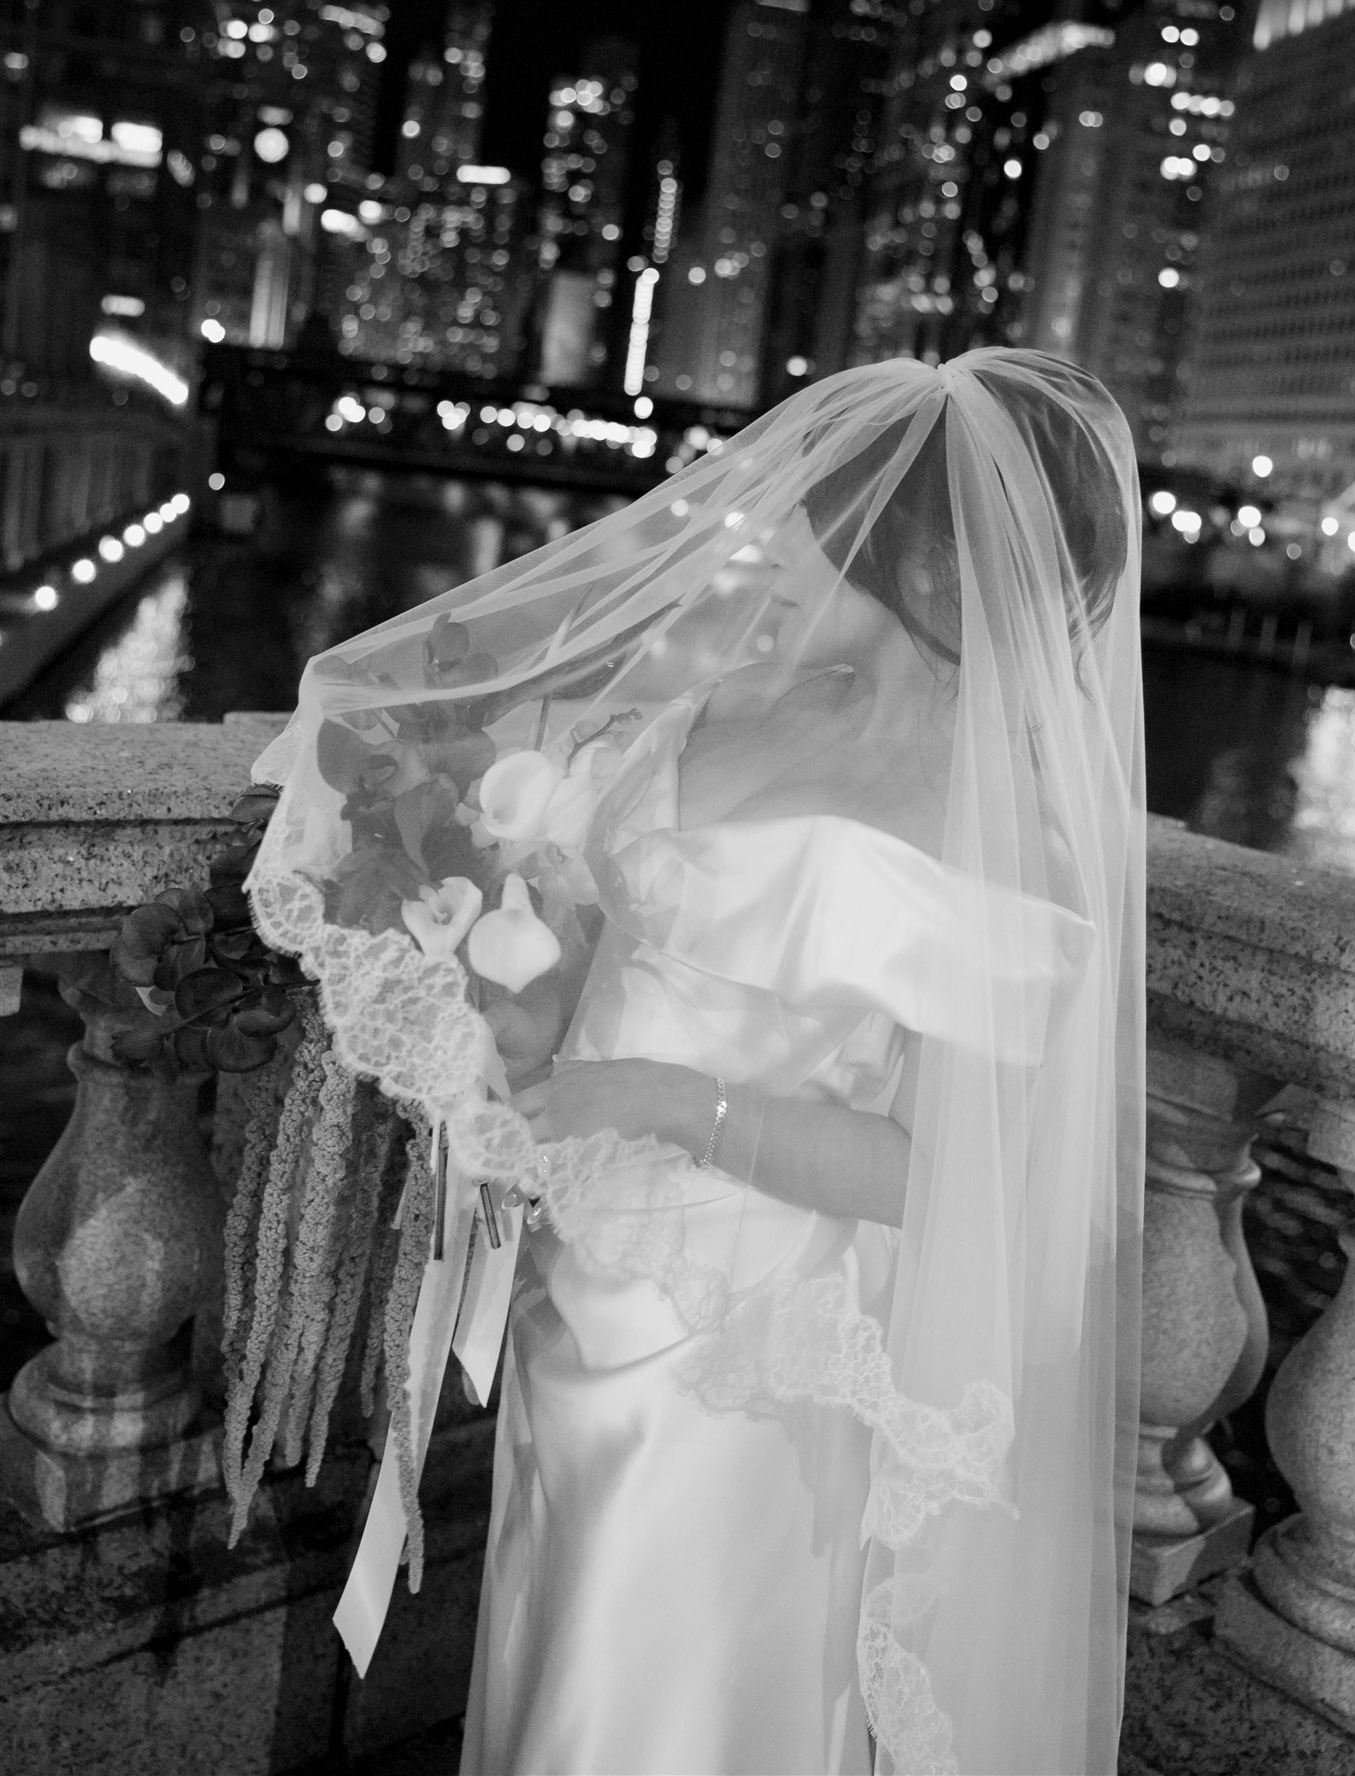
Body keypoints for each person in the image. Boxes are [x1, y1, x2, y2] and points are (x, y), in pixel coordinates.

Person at [247, 350, 1145, 1776]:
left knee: (652, 1695)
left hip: (740, 1350)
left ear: (923, 566)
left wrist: (667, 1102)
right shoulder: (736, 705)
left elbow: (944, 1182)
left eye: (812, 527)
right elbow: (619, 955)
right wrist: (516, 1010)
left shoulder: (1001, 841)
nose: (763, 547)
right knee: (548, 1646)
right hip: (580, 1285)